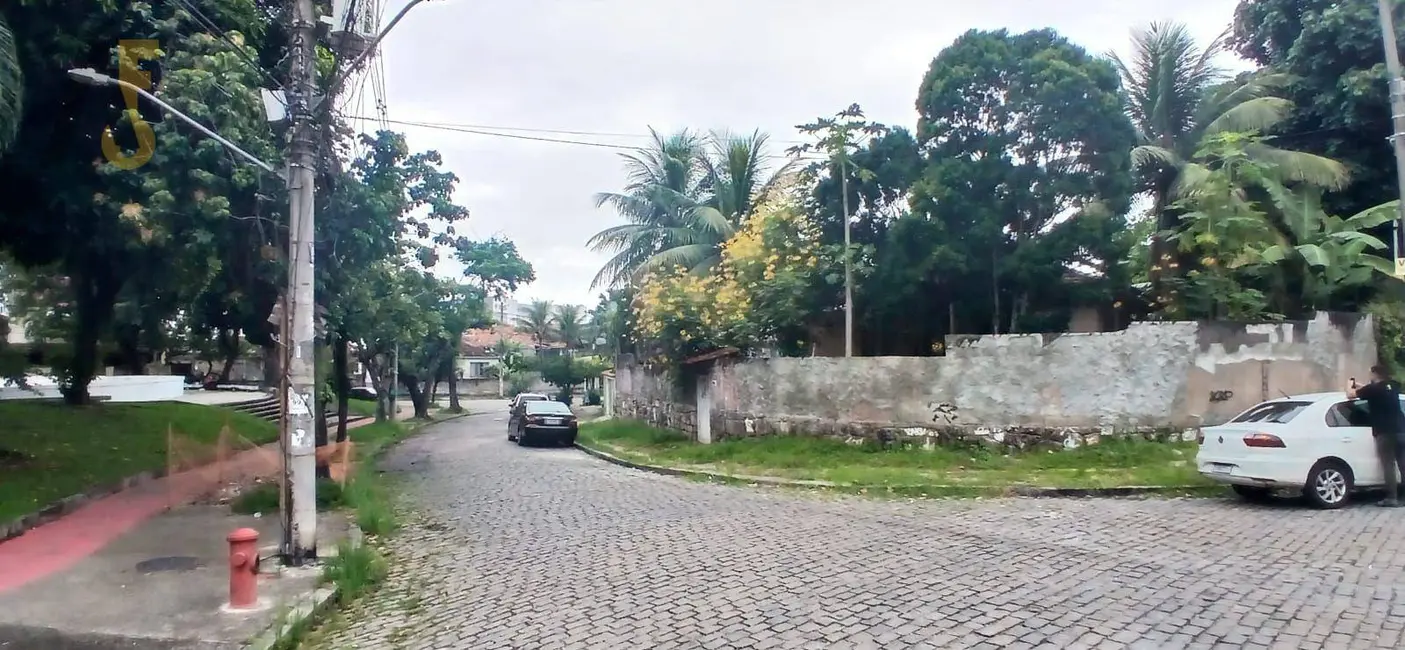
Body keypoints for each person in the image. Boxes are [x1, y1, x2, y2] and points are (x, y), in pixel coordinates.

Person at [1347, 365, 1405, 507]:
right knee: (1403, 464)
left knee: (1388, 466)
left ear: (1375, 374)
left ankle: (1392, 498)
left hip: (1385, 432)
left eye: (1370, 374)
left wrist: (1349, 384)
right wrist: (1362, 385)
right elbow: (1374, 388)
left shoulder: (1372, 390)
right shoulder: (1394, 386)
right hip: (1401, 430)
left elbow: (1350, 395)